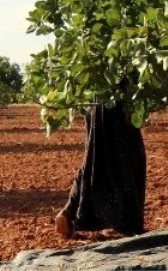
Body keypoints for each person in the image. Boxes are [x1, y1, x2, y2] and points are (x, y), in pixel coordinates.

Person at [55, 102, 146, 238]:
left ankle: (70, 211)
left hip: (96, 99)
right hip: (117, 99)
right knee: (129, 155)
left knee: (94, 154)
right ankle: (123, 224)